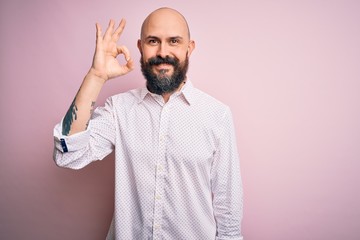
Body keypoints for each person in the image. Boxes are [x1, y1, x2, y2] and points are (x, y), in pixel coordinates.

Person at [53, 7, 243, 240]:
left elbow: (228, 210)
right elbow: (69, 154)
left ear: (189, 48)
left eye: (174, 41)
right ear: (141, 47)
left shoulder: (217, 115)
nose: (163, 52)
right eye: (153, 41)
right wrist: (96, 76)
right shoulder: (119, 109)